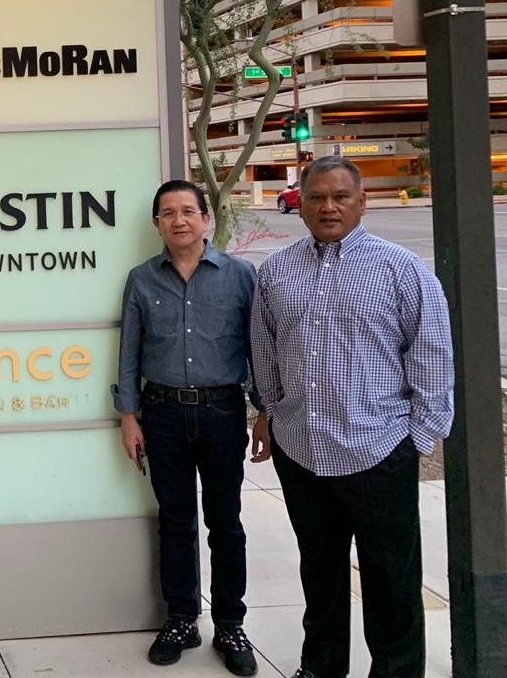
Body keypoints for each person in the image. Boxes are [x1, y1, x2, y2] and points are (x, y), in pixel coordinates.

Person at [252, 157, 454, 678]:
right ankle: (321, 667)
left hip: (378, 451)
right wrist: (272, 410)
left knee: (391, 580)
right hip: (302, 450)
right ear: (301, 206)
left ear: (362, 202)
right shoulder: (276, 271)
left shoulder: (401, 269)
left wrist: (418, 439)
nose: (329, 207)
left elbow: (432, 357)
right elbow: (265, 348)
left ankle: (396, 671)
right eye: (317, 197)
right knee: (319, 573)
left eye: (340, 196)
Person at [113, 180, 264, 676]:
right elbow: (129, 351)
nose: (178, 220)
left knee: (226, 523)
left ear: (205, 219)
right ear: (156, 223)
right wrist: (129, 416)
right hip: (162, 413)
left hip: (222, 412)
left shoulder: (240, 276)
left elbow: (258, 348)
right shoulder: (141, 279)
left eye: (187, 211)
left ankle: (230, 623)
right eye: (168, 213)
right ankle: (181, 619)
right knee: (175, 521)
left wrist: (264, 411)